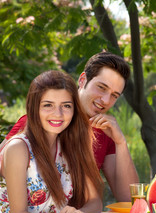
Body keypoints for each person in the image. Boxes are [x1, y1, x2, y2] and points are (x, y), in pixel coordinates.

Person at [0, 52, 138, 202]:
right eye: (101, 88)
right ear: (83, 80)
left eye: (114, 95)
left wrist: (121, 142)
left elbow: (129, 200)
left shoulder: (105, 132)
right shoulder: (39, 122)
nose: (105, 100)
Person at [0, 70, 104, 213]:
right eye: (48, 105)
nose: (58, 114)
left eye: (66, 106)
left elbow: (95, 202)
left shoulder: (72, 146)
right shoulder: (18, 148)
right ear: (34, 108)